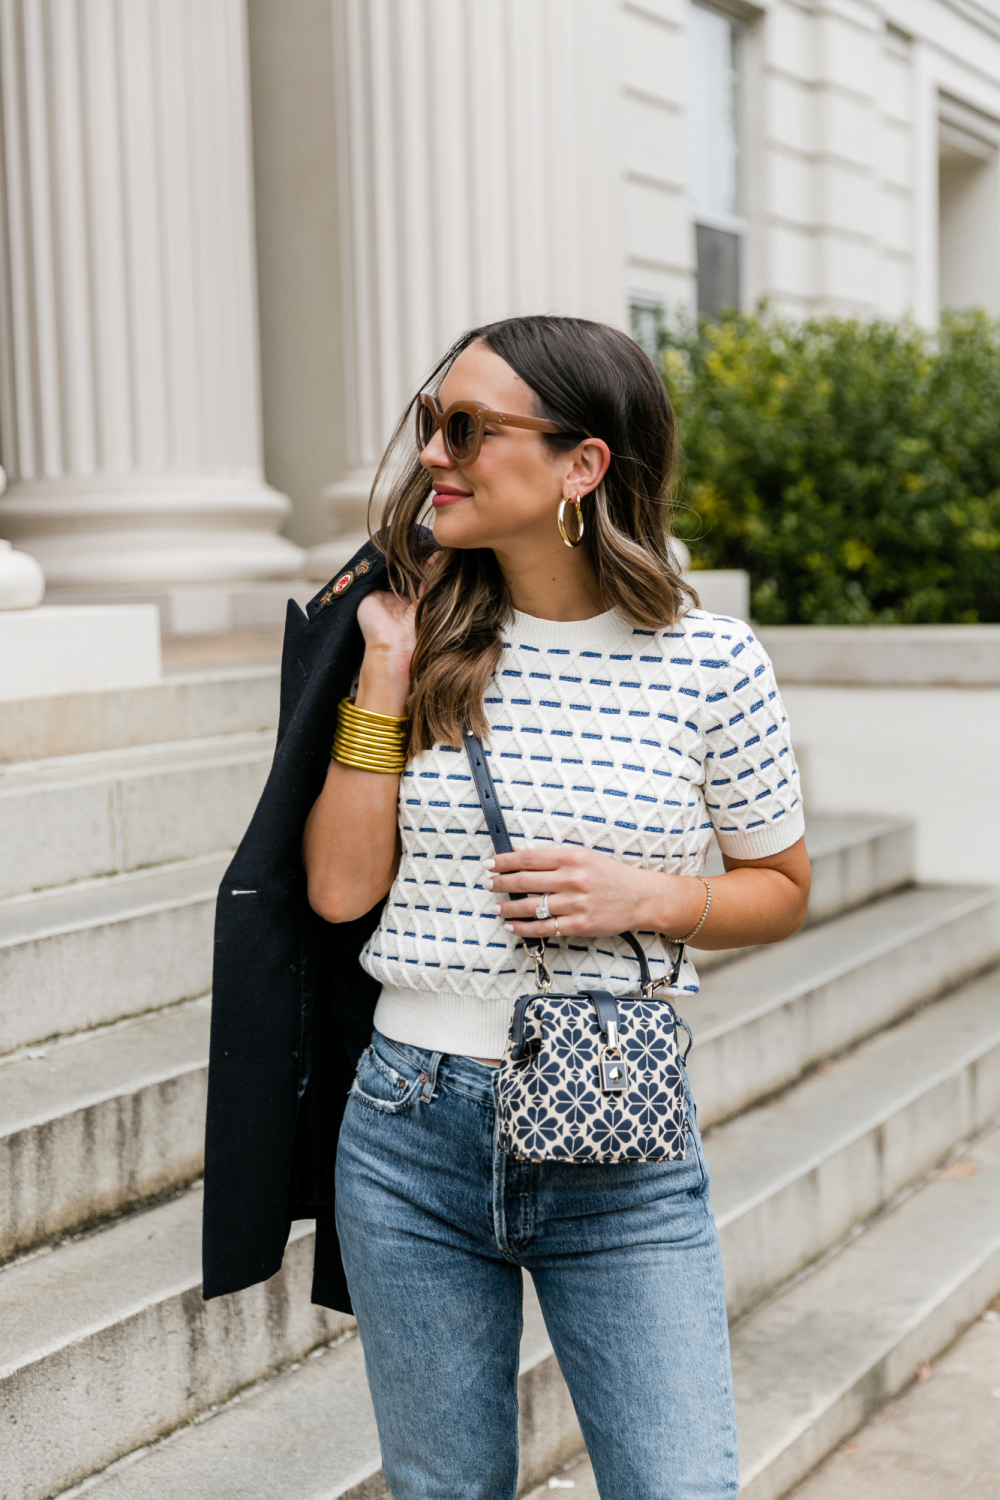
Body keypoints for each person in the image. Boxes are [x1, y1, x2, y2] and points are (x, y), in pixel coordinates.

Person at [301, 315, 811, 1500]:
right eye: (433, 422)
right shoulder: (410, 635)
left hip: (616, 1136)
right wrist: (382, 669)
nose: (435, 452)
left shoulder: (710, 663)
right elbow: (338, 889)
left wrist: (655, 895)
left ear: (582, 465)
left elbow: (781, 889)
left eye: (470, 429)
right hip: (407, 1127)